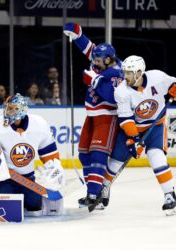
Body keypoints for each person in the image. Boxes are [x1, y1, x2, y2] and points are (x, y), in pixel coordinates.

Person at [100, 55, 176, 215]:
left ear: (139, 73)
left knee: (156, 157)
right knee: (115, 161)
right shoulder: (121, 91)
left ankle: (169, 195)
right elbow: (125, 118)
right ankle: (104, 190)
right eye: (124, 72)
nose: (125, 76)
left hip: (155, 126)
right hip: (131, 128)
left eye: (129, 73)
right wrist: (134, 139)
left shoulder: (157, 77)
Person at [0, 93, 65, 215]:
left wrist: (55, 167)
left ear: (22, 110)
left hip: (26, 178)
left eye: (13, 108)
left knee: (35, 205)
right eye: (8, 108)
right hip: (0, 177)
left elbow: (48, 151)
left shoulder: (39, 124)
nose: (8, 111)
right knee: (3, 206)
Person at [63, 23, 123, 210]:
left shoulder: (118, 72)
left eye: (98, 60)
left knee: (98, 155)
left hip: (107, 116)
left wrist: (95, 80)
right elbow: (88, 48)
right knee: (84, 155)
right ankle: (93, 191)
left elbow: (114, 98)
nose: (94, 62)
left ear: (108, 59)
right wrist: (77, 33)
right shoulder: (101, 59)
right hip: (91, 115)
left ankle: (94, 194)